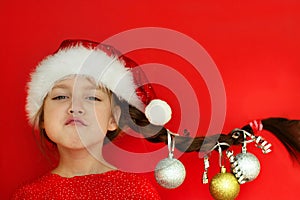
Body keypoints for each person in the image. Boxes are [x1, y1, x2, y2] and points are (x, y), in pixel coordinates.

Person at [12, 39, 300, 199]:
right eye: (60, 97)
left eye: (92, 97)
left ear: (114, 120)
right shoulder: (28, 196)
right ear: (42, 118)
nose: (75, 107)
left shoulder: (134, 192)